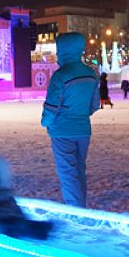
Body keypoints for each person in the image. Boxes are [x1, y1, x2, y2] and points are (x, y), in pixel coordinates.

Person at [41, 32, 100, 208]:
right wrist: (80, 113)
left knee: (68, 174)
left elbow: (51, 106)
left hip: (62, 131)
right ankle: (80, 205)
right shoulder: (91, 74)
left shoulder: (61, 75)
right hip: (83, 130)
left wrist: (46, 122)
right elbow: (94, 105)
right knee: (79, 171)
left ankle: (76, 212)